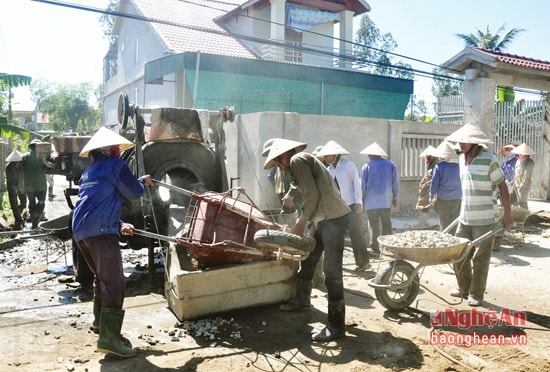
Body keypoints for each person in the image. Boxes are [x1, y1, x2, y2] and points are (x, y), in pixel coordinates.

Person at [72, 127, 154, 357]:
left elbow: (98, 204)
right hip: (100, 234)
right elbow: (134, 192)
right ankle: (109, 339)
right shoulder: (116, 165)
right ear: (107, 149)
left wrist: (118, 225)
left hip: (81, 232)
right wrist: (142, 183)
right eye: (116, 147)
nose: (118, 150)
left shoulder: (89, 173)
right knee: (115, 282)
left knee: (101, 277)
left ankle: (100, 322)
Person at [264, 138, 350, 342]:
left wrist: (301, 224)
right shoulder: (298, 164)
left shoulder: (297, 160)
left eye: (278, 161)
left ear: (285, 154)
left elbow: (311, 196)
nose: (278, 165)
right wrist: (311, 229)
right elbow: (303, 188)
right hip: (323, 219)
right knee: (309, 259)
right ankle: (302, 300)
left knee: (332, 272)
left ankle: (336, 325)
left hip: (334, 220)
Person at [445, 123, 513, 307]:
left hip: (485, 218)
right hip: (465, 217)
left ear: (474, 143)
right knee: (458, 254)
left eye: (464, 142)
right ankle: (464, 288)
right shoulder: (461, 159)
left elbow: (503, 187)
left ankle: (476, 293)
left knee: (481, 258)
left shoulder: (489, 159)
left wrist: (507, 214)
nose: (460, 145)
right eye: (459, 142)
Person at [317, 140, 370, 271]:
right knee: (337, 235)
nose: (325, 158)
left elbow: (357, 184)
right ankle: (336, 265)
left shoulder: (348, 165)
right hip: (337, 208)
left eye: (327, 155)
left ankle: (364, 263)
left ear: (335, 154)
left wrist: (359, 202)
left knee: (356, 232)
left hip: (351, 205)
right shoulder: (329, 169)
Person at [360, 142, 399, 254]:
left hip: (371, 202)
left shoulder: (366, 166)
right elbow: (394, 183)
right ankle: (389, 246)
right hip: (386, 200)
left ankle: (374, 248)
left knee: (373, 225)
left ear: (371, 155)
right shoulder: (391, 164)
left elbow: (363, 186)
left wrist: (361, 200)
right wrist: (395, 197)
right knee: (386, 223)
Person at [428, 141, 462, 233]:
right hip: (457, 197)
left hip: (443, 198)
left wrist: (431, 195)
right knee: (454, 219)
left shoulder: (439, 166)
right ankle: (454, 238)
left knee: (443, 220)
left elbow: (435, 182)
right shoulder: (459, 166)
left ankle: (445, 237)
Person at [21, 139, 47, 229]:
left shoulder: (25, 156)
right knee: (41, 203)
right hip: (41, 185)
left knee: (31, 203)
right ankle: (36, 221)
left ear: (30, 147)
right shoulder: (43, 156)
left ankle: (34, 221)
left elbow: (21, 170)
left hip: (29, 185)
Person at [415, 145, 438, 228]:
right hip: (430, 184)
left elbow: (434, 176)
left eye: (428, 156)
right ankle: (423, 221)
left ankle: (423, 222)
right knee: (426, 203)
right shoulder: (432, 163)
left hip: (434, 185)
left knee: (432, 204)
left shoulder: (436, 163)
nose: (427, 158)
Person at [5, 150, 27, 230]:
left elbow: (24, 176)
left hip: (21, 187)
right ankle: (18, 221)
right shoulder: (9, 167)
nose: (18, 161)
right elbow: (10, 179)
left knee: (24, 204)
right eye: (17, 160)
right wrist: (15, 188)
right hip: (12, 188)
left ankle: (18, 216)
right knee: (14, 205)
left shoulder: (22, 166)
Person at [511, 143, 535, 210]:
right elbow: (516, 173)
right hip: (516, 184)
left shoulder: (530, 162)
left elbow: (527, 175)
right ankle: (518, 216)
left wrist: (523, 185)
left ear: (527, 153)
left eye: (523, 152)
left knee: (522, 202)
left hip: (524, 185)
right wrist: (514, 184)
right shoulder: (518, 160)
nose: (520, 154)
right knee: (515, 201)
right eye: (520, 152)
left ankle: (526, 217)